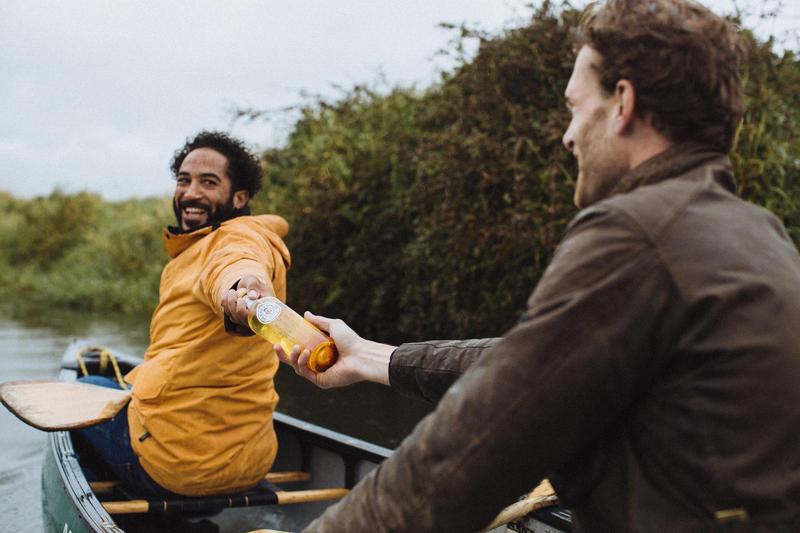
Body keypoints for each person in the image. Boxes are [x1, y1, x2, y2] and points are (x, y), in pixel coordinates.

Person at [224, 0, 800, 530]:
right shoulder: (757, 235)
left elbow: (467, 454)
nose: (569, 136)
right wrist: (373, 358)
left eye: (576, 109)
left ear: (622, 104)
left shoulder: (637, 234)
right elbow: (530, 364)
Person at [77, 130, 291, 497]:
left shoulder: (232, 239)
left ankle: (139, 510)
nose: (191, 193)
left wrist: (243, 294)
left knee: (83, 391)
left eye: (209, 182)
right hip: (254, 461)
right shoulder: (221, 241)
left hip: (178, 470)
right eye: (184, 180)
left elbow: (236, 266)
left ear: (239, 197)